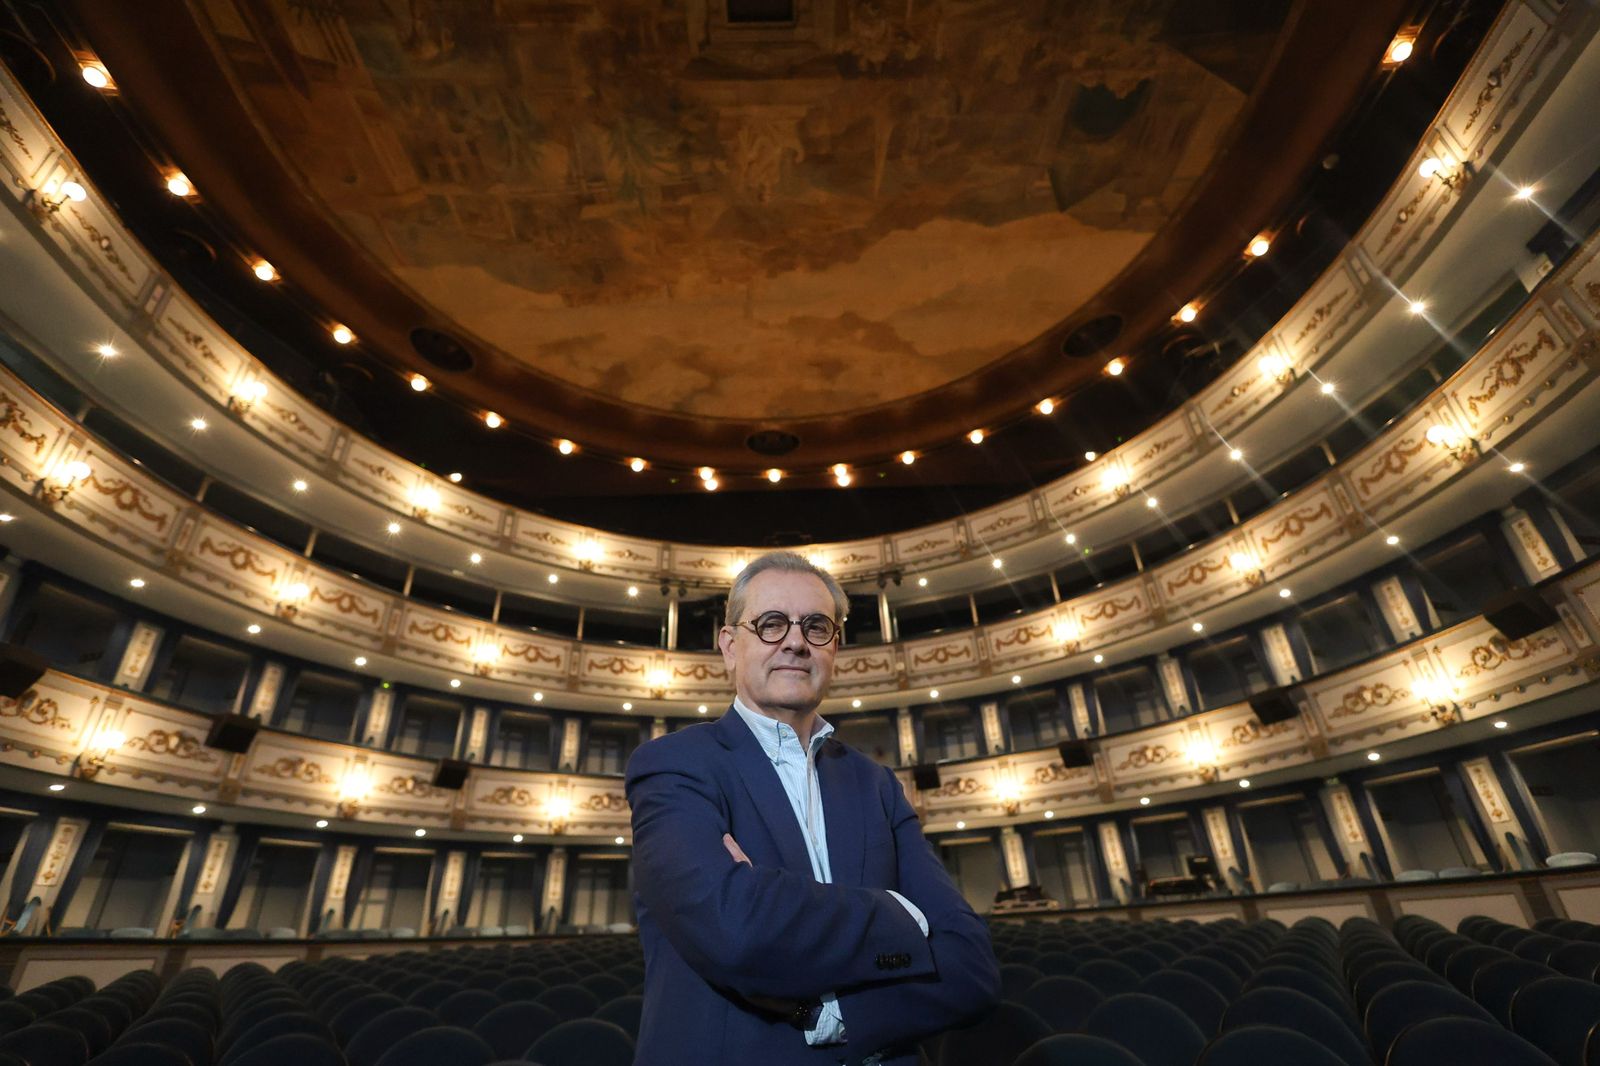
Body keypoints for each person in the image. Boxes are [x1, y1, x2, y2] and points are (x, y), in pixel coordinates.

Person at [625, 551, 1001, 1065]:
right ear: (730, 647)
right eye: (771, 623)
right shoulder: (673, 766)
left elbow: (973, 968)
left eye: (817, 626)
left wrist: (835, 1015)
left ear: (834, 649)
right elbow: (737, 932)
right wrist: (905, 915)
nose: (796, 641)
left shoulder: (876, 784)